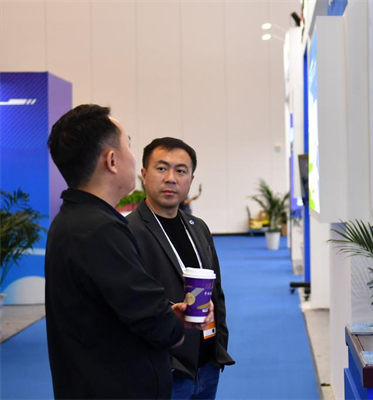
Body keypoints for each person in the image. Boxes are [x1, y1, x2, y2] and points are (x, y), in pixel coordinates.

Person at [45, 105, 211, 400]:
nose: (132, 157)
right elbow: (154, 321)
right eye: (129, 146)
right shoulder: (101, 230)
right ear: (112, 160)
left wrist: (167, 313)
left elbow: (119, 304)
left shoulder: (74, 220)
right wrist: (170, 323)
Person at [127, 138, 234, 400]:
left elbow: (216, 292)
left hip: (207, 365)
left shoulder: (198, 227)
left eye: (181, 170)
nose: (171, 178)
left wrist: (218, 346)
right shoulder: (128, 232)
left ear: (191, 178)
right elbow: (130, 304)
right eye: (161, 168)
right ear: (144, 174)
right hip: (165, 371)